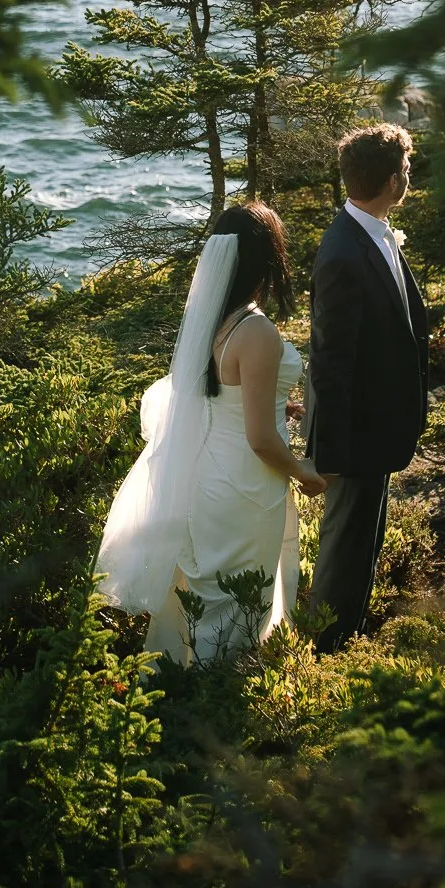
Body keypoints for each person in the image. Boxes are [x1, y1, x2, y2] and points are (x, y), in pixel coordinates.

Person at [95, 202, 327, 664]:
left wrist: (278, 403)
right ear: (266, 259)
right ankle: (220, 693)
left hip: (207, 476)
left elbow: (221, 395)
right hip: (246, 483)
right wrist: (305, 473)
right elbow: (260, 439)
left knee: (206, 597)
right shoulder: (256, 330)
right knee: (239, 598)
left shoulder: (214, 320)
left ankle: (184, 686)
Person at [305, 124, 430, 651]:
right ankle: (325, 648)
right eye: (404, 169)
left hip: (377, 426)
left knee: (365, 541)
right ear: (388, 180)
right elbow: (331, 362)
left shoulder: (373, 233)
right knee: (344, 545)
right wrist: (329, 454)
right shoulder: (342, 253)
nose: (408, 176)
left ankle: (347, 634)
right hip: (353, 434)